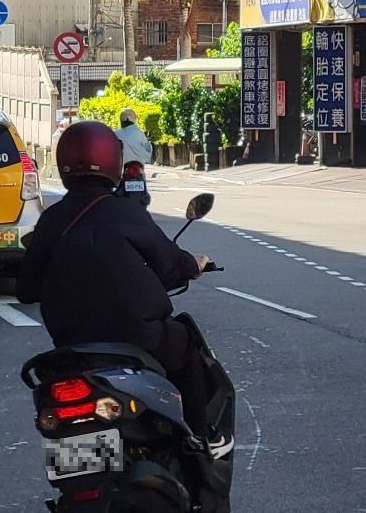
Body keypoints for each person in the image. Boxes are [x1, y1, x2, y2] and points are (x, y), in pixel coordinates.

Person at [17, 121, 230, 457]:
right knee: (186, 342)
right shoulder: (126, 212)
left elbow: (26, 289)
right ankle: (201, 437)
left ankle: (79, 463)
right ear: (111, 160)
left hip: (72, 349)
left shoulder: (52, 220)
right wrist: (196, 263)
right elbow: (173, 267)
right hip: (139, 340)